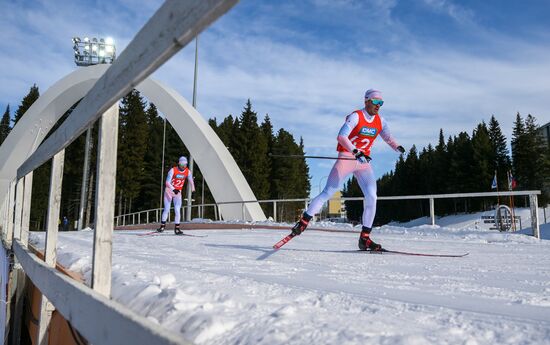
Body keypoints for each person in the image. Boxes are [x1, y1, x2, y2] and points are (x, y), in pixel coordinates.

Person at [291, 89, 405, 251]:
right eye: (375, 102)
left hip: (363, 162)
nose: (378, 105)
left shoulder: (381, 121)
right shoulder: (356, 116)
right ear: (366, 101)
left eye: (381, 103)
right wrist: (355, 152)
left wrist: (396, 146)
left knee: (372, 196)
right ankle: (303, 222)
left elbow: (387, 137)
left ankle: (365, 238)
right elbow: (341, 137)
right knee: (328, 192)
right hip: (347, 158)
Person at [157, 156, 195, 235]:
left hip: (178, 193)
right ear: (179, 163)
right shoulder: (173, 170)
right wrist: (173, 189)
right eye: (182, 164)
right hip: (169, 191)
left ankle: (177, 228)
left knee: (177, 210)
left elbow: (191, 181)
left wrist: (193, 190)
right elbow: (167, 182)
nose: (184, 166)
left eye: (185, 164)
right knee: (167, 209)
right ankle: (162, 226)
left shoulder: (187, 171)